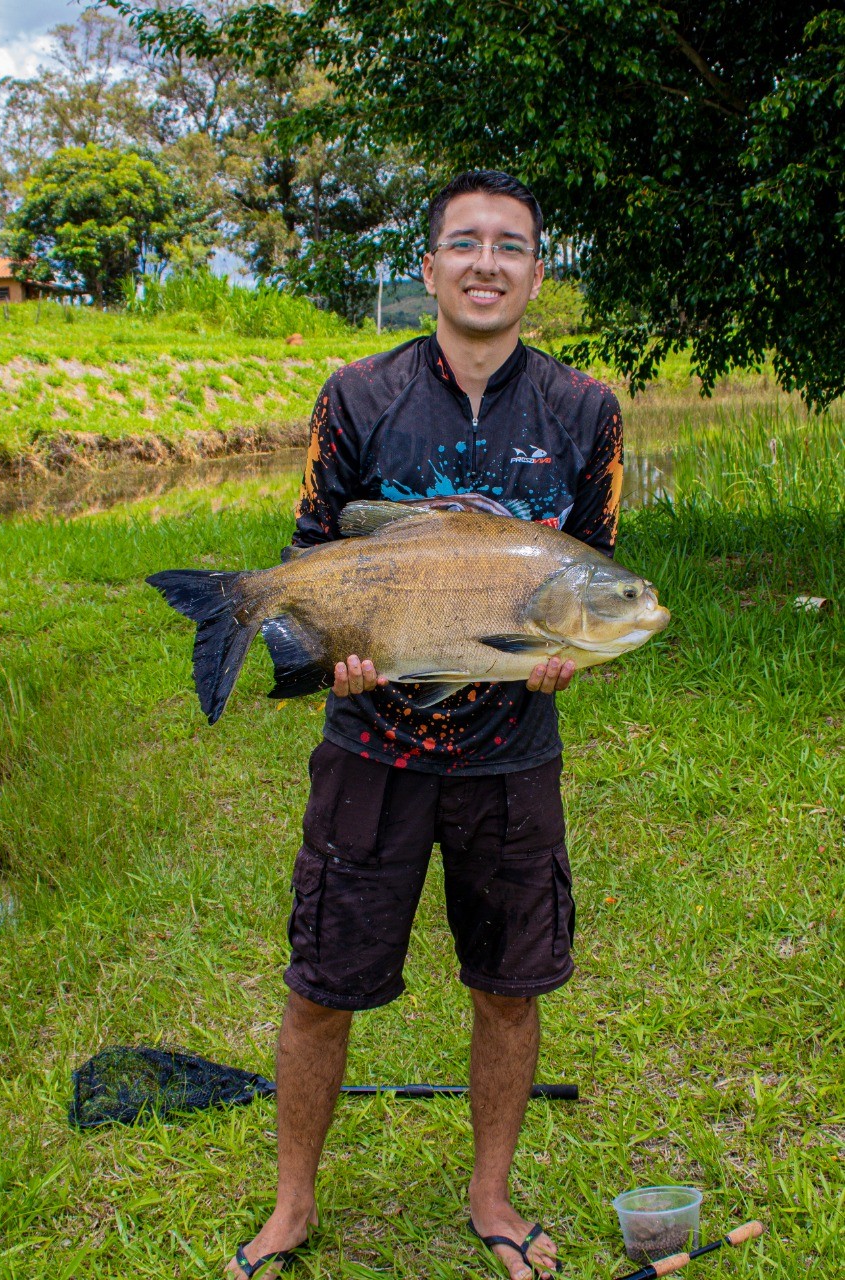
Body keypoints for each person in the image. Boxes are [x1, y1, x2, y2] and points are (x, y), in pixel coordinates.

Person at [227, 171, 623, 1280]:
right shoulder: (356, 394)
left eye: (510, 245)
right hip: (370, 749)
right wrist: (322, 654)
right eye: (464, 242)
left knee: (509, 985)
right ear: (430, 266)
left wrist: (564, 659)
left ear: (536, 272)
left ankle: (490, 1195)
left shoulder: (586, 410)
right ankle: (290, 1205)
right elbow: (316, 549)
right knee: (320, 984)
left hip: (511, 759)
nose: (486, 262)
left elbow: (586, 563)